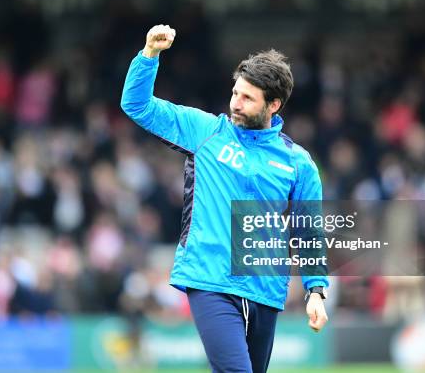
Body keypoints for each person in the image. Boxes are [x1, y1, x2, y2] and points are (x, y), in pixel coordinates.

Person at [121, 24, 329, 372]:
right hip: (209, 280)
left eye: (248, 98)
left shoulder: (298, 163)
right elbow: (136, 105)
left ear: (273, 104)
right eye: (235, 93)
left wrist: (316, 291)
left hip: (266, 289)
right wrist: (149, 55)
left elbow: (308, 232)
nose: (236, 103)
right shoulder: (206, 132)